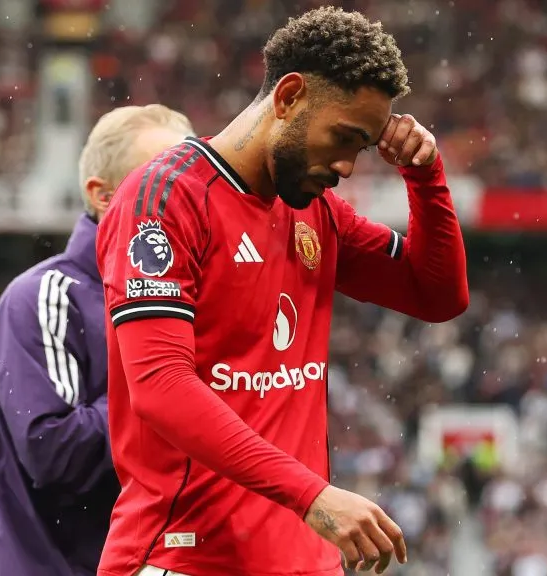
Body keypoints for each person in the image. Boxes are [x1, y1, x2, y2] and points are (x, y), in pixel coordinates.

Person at [95, 7, 469, 576]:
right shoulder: (166, 197)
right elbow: (160, 384)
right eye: (343, 137)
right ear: (290, 96)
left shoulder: (317, 212)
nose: (346, 165)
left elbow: (437, 296)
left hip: (303, 562)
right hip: (188, 559)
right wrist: (313, 496)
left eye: (362, 148)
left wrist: (425, 176)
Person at [0, 104, 195, 576]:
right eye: (159, 182)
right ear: (102, 195)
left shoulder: (194, 298)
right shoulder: (43, 297)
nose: (185, 200)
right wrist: (165, 383)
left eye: (190, 182)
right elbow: (53, 452)